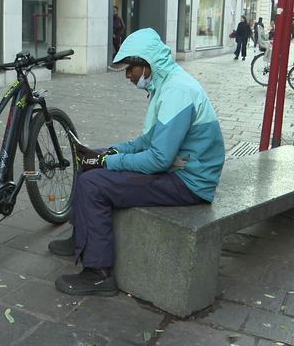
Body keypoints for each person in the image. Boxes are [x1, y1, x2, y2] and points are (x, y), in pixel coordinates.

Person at [49, 28, 225, 296]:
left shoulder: (177, 91)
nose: (127, 75)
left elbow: (158, 158)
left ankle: (99, 273)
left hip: (190, 182)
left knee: (94, 184)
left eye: (129, 68)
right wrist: (106, 152)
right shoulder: (166, 84)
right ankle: (81, 239)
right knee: (87, 162)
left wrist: (108, 163)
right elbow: (147, 141)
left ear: (147, 64)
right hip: (179, 170)